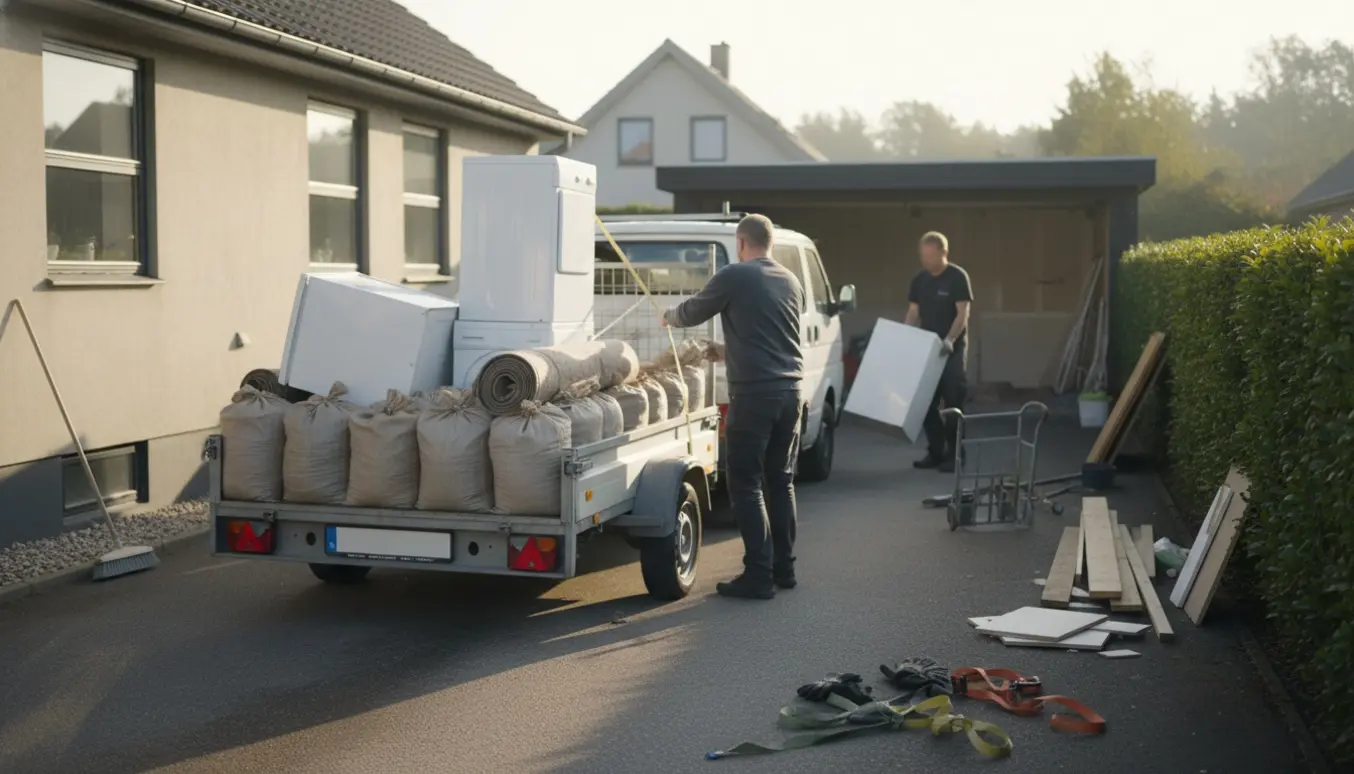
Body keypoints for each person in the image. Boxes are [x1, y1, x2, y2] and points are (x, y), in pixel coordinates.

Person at [660, 214, 804, 600]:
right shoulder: (790, 280)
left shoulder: (735, 275)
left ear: (742, 242)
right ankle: (783, 569)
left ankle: (758, 575)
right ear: (769, 242)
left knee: (745, 483)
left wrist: (669, 317)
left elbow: (693, 311)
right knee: (780, 478)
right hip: (791, 393)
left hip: (754, 396)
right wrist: (724, 352)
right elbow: (771, 336)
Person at [905, 231, 973, 473]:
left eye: (930, 256)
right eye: (923, 256)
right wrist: (904, 337)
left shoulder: (957, 277)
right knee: (925, 403)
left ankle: (955, 456)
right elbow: (913, 312)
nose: (926, 261)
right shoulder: (919, 280)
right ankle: (936, 451)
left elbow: (962, 313)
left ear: (944, 253)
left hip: (951, 350)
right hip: (927, 349)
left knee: (953, 402)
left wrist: (950, 340)